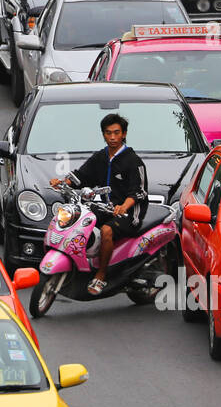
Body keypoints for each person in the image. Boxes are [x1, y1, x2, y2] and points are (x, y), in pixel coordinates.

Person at [49, 113, 147, 295]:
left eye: (116, 133)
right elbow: (81, 176)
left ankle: (101, 275)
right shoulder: (100, 157)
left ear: (124, 134)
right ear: (103, 134)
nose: (112, 137)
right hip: (105, 207)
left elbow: (138, 192)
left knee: (106, 231)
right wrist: (62, 183)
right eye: (108, 133)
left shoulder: (133, 162)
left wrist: (123, 207)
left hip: (129, 212)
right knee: (81, 222)